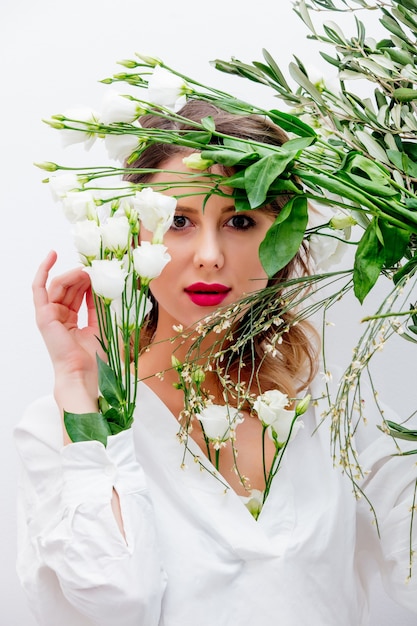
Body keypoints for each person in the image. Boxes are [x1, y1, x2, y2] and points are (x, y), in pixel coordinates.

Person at [15, 101, 417, 626]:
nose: (209, 254)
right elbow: (117, 602)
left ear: (281, 240)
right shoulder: (61, 428)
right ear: (135, 233)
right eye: (178, 221)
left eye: (241, 221)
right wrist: (77, 388)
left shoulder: (338, 414)